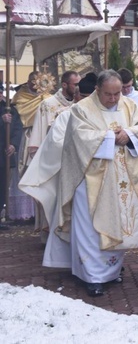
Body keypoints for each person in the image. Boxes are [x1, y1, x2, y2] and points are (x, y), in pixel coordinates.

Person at [57, 70, 138, 297]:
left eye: (117, 93)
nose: (114, 99)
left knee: (120, 221)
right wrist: (112, 137)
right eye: (108, 94)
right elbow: (79, 137)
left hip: (125, 176)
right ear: (97, 90)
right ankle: (92, 277)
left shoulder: (129, 106)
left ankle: (111, 272)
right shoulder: (81, 109)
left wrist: (130, 134)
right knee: (92, 227)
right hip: (92, 179)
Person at [19, 72, 98, 267]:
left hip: (96, 175)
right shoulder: (55, 108)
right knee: (61, 209)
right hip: (64, 168)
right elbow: (51, 139)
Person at [9, 71, 53, 220]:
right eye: (32, 81)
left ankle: (39, 211)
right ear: (28, 82)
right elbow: (18, 116)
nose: (34, 85)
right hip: (26, 135)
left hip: (44, 136)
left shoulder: (48, 98)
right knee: (24, 171)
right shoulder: (20, 96)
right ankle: (22, 212)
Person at [27, 70, 80, 156]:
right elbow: (39, 131)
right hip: (50, 154)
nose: (79, 88)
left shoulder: (78, 104)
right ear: (64, 85)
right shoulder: (47, 105)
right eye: (76, 84)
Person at [0, 88, 23, 227]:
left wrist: (13, 144)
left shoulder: (9, 109)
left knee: (3, 186)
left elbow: (17, 127)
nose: (0, 96)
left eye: (1, 92)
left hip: (4, 154)